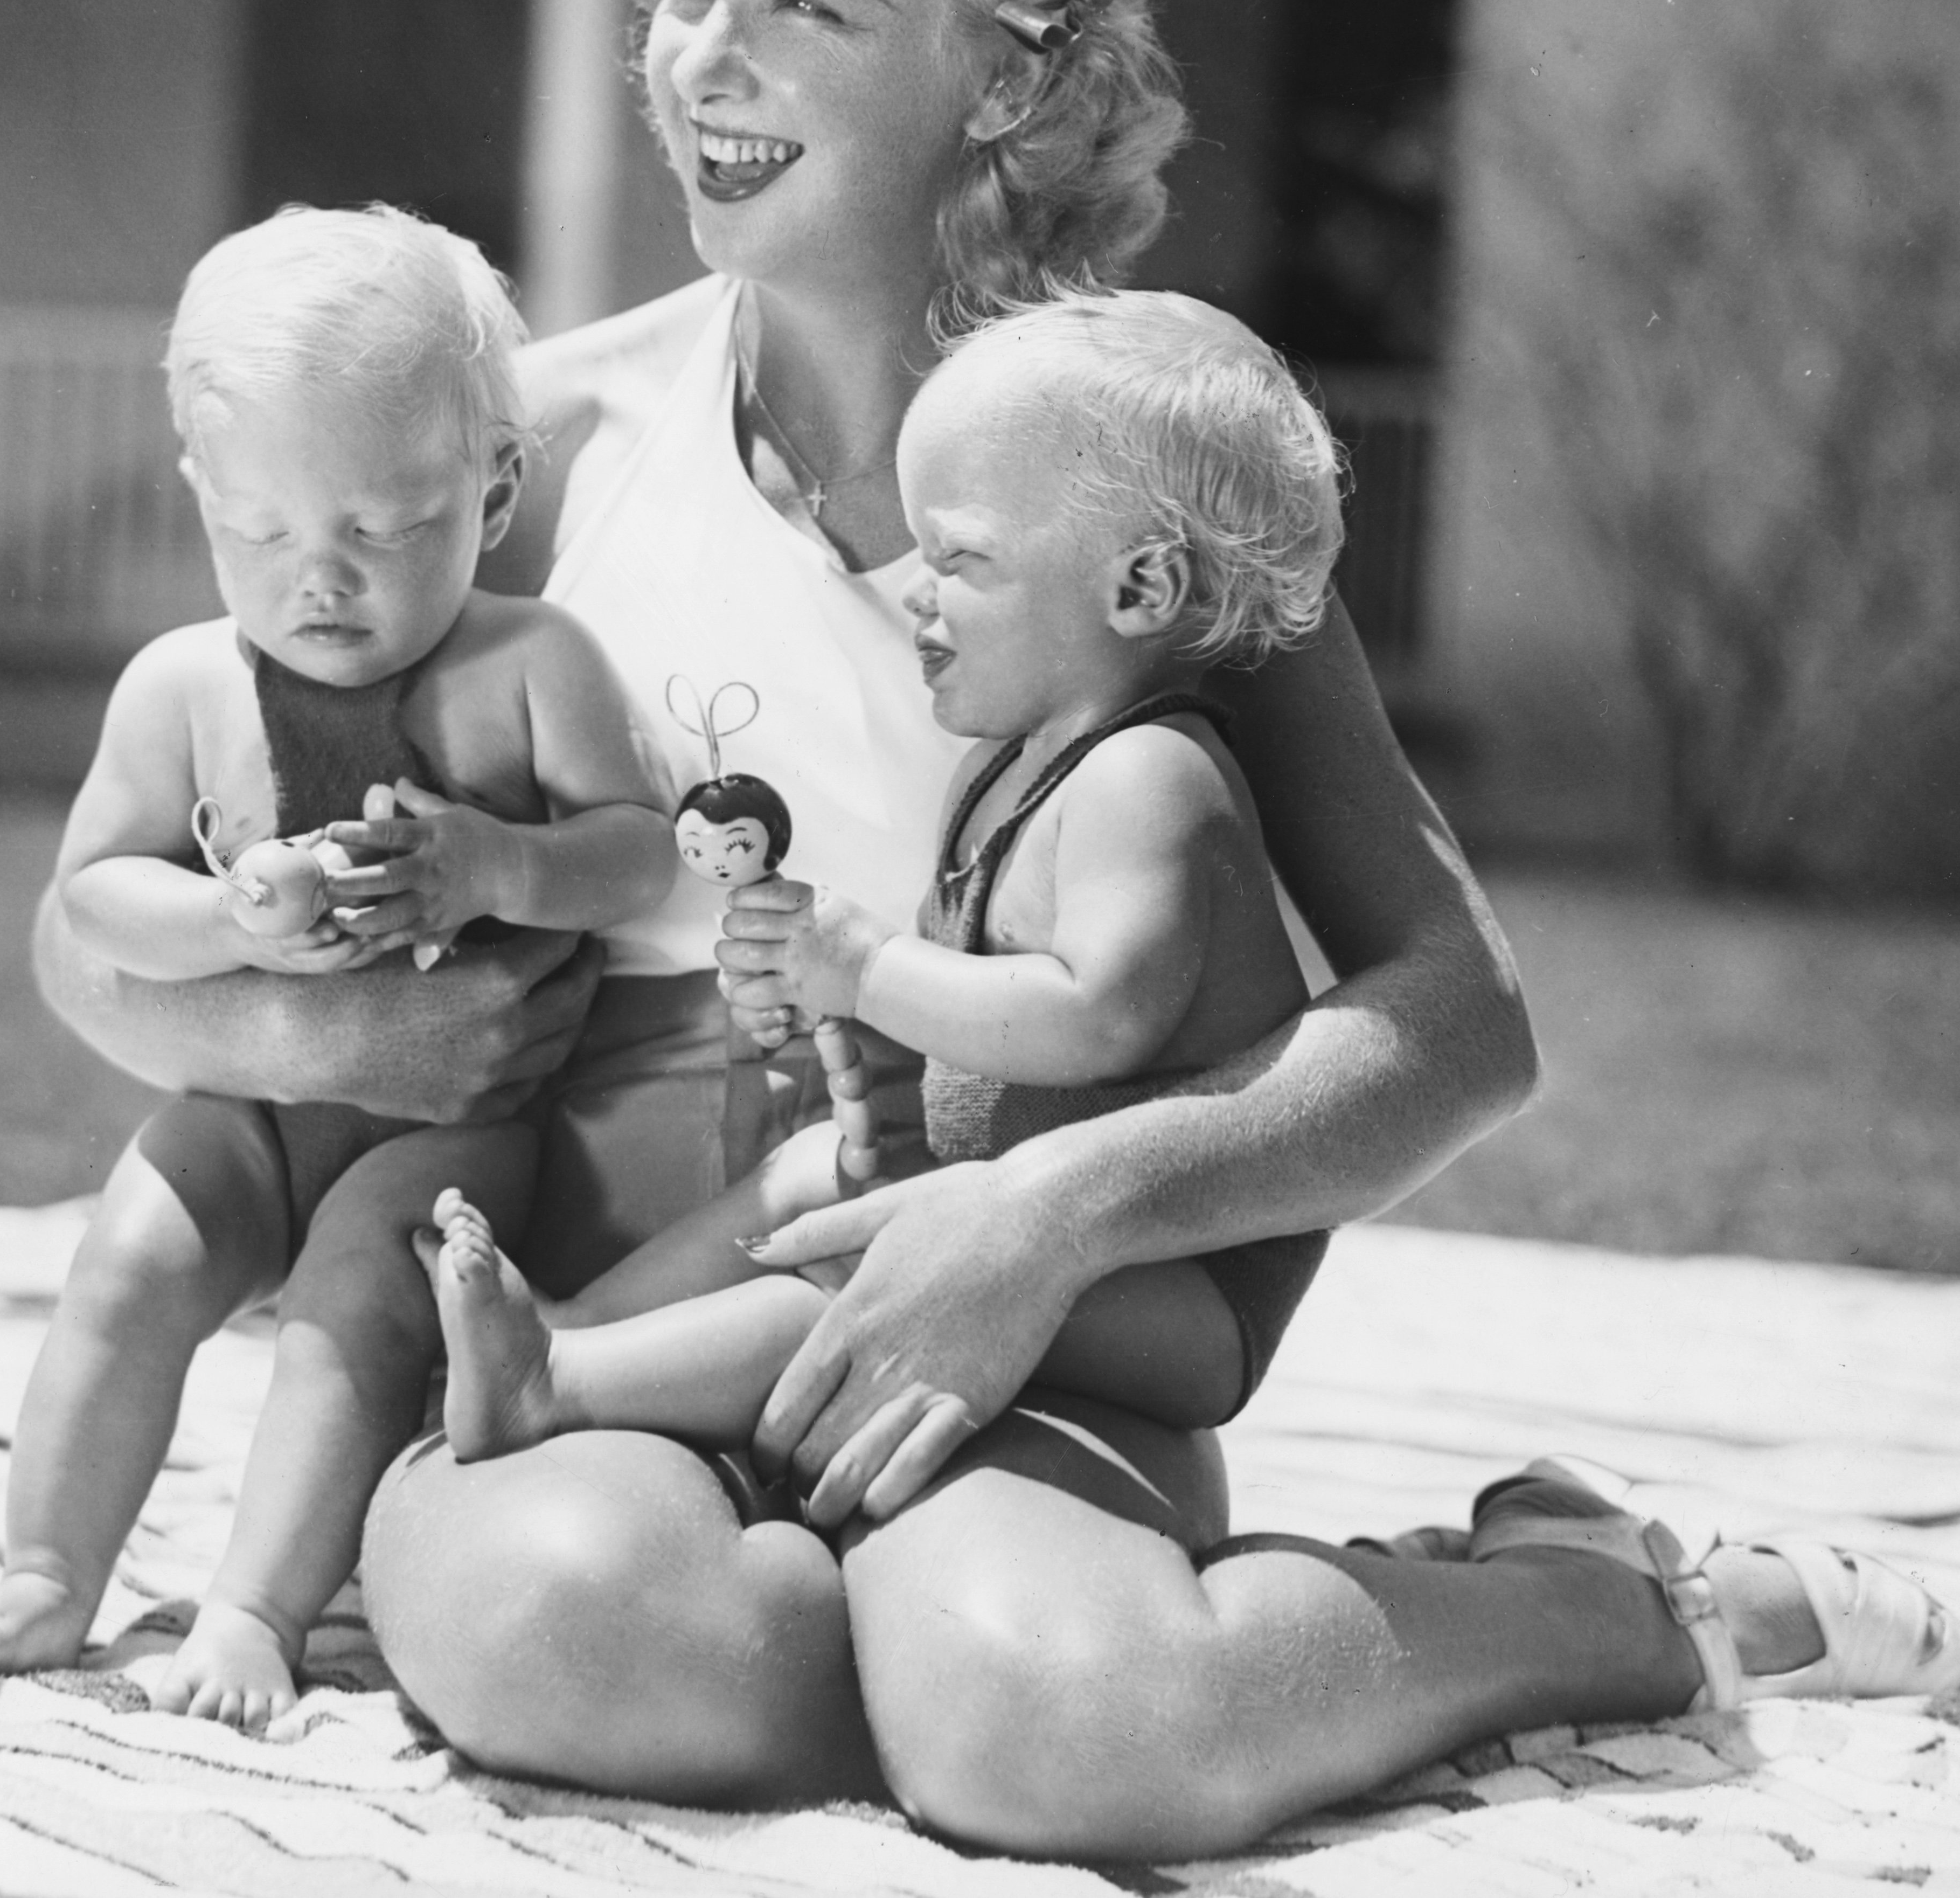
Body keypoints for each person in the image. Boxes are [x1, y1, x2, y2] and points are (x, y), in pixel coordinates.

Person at [37, 0, 1960, 1859]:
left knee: (1070, 1740)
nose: (706, 58)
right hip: (614, 1327)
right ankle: (890, 1632)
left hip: (1014, 1339)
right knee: (576, 1639)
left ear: (1003, 70)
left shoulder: (1134, 475)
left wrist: (1043, 1213)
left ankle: (1585, 1594)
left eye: (805, 5)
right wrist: (315, 1021)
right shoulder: (527, 446)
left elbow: (1453, 1017)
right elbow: (106, 929)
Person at [0, 205, 678, 1733]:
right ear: (202, 494)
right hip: (248, 1106)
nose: (317, 579)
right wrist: (225, 927)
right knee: (129, 1253)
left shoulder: (531, 667)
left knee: (351, 1298)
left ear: (492, 487)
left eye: (379, 530)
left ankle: (255, 1602)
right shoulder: (183, 682)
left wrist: (500, 861)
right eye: (259, 532)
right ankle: (50, 1563)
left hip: (451, 1124)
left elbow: (636, 851)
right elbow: (99, 889)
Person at [426, 288, 1345, 1485]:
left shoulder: (1149, 777)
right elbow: (984, 1001)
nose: (916, 589)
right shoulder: (1007, 767)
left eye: (959, 558)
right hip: (1023, 1212)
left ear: (1139, 589)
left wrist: (867, 968)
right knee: (814, 1172)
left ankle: (565, 1385)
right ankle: (571, 1329)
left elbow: (1102, 1013)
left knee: (883, 1270)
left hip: (1179, 1286)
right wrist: (842, 1021)